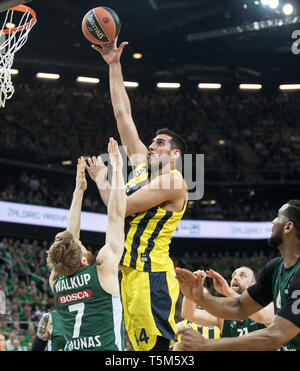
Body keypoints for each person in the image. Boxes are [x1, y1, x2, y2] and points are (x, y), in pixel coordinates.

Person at [89, 38, 188, 351]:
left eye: (159, 143)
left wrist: (106, 180)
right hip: (129, 274)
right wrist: (114, 65)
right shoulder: (144, 169)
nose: (151, 146)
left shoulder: (174, 181)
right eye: (153, 142)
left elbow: (121, 209)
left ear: (174, 155)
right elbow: (122, 114)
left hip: (150, 278)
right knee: (133, 349)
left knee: (155, 352)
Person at [175, 200, 300, 350]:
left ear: (288, 227)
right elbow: (239, 307)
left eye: (278, 217)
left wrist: (207, 344)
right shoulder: (274, 268)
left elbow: (275, 336)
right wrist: (199, 297)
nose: (273, 221)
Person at [47, 138, 126, 351]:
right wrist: (117, 170)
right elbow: (117, 217)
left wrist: (79, 191)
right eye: (80, 244)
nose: (79, 240)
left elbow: (69, 240)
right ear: (83, 259)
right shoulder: (102, 271)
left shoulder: (57, 282)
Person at [178, 267, 273, 349]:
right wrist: (190, 291)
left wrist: (228, 292)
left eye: (242, 275)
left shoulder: (267, 305)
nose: (235, 278)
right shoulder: (224, 314)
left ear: (253, 285)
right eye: (233, 276)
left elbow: (263, 317)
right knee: (180, 347)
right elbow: (189, 314)